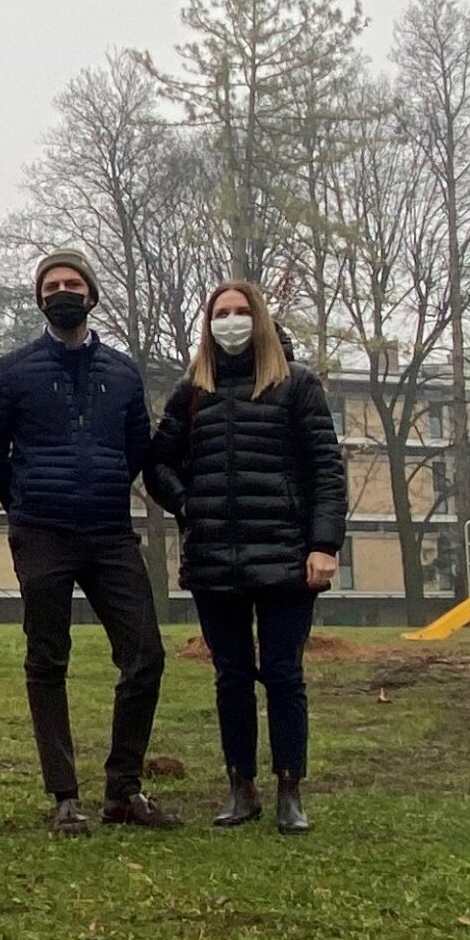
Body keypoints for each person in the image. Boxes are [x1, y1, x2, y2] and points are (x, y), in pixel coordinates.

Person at [0, 247, 180, 837]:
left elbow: (139, 445)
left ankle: (124, 789)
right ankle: (64, 795)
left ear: (91, 294)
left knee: (146, 656)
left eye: (73, 283)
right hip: (41, 533)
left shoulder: (121, 372)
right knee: (47, 659)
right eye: (51, 284)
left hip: (111, 532)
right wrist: (26, 500)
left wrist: (109, 482)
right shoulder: (13, 370)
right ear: (40, 298)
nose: (62, 291)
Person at [146, 281, 347, 835]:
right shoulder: (191, 392)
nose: (229, 322)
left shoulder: (297, 385)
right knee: (231, 677)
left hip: (285, 556)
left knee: (283, 674)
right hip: (215, 559)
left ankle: (290, 789)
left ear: (258, 320)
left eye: (239, 313)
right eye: (220, 314)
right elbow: (157, 463)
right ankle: (242, 788)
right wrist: (188, 504)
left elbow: (326, 470)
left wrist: (324, 544)